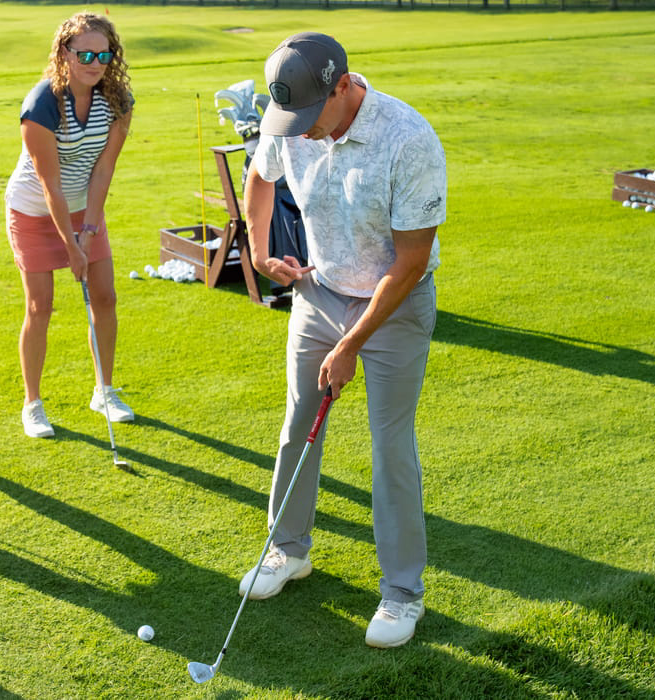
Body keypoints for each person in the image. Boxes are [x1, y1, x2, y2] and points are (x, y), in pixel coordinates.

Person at [238, 33, 446, 650]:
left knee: (390, 448)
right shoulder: (290, 120)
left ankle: (402, 593)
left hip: (394, 305)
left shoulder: (407, 138)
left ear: (343, 86)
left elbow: (410, 262)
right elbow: (260, 179)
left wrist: (352, 343)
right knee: (296, 426)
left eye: (309, 116)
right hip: (318, 290)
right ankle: (287, 550)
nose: (299, 131)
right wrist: (260, 252)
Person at [3, 12, 136, 438]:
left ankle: (104, 391)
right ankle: (32, 404)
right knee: (40, 306)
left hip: (83, 209)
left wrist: (90, 231)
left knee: (105, 296)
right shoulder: (41, 104)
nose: (95, 63)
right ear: (65, 53)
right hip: (33, 211)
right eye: (85, 55)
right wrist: (71, 245)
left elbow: (103, 171)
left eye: (104, 54)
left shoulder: (117, 100)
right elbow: (50, 185)